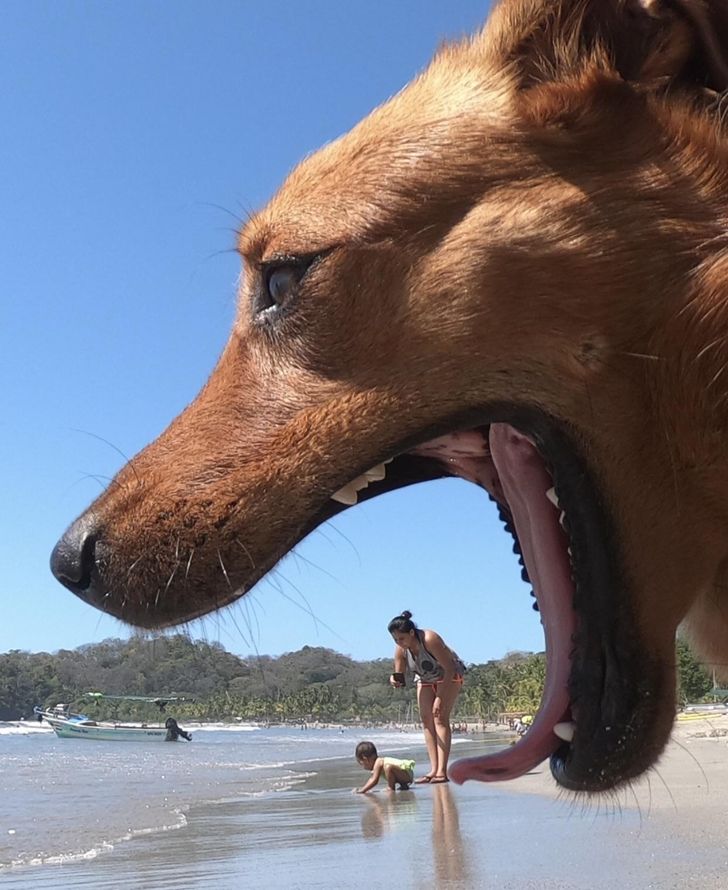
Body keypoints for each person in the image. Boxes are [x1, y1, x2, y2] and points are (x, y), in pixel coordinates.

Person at [388, 610, 465, 784]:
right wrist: (394, 679)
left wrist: (440, 698)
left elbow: (449, 668)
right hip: (425, 679)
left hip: (448, 675)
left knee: (440, 718)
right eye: (395, 640)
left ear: (412, 633)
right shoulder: (401, 649)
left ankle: (442, 771)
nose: (399, 643)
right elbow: (399, 673)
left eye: (401, 638)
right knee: (426, 720)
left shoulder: (429, 639)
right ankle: (433, 769)